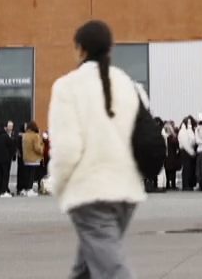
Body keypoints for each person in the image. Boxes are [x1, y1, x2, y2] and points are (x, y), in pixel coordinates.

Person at [47, 20, 147, 279]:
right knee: (88, 267)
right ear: (110, 49)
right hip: (126, 192)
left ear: (80, 49)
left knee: (112, 270)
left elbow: (68, 149)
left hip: (90, 193)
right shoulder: (130, 85)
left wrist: (56, 184)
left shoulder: (67, 87)